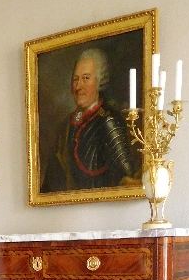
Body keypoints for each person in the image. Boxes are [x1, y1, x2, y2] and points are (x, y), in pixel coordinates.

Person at [41, 48, 134, 193]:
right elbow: (50, 184)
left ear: (99, 82)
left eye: (85, 78)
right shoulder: (65, 127)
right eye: (75, 79)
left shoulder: (109, 121)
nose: (78, 87)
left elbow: (127, 180)